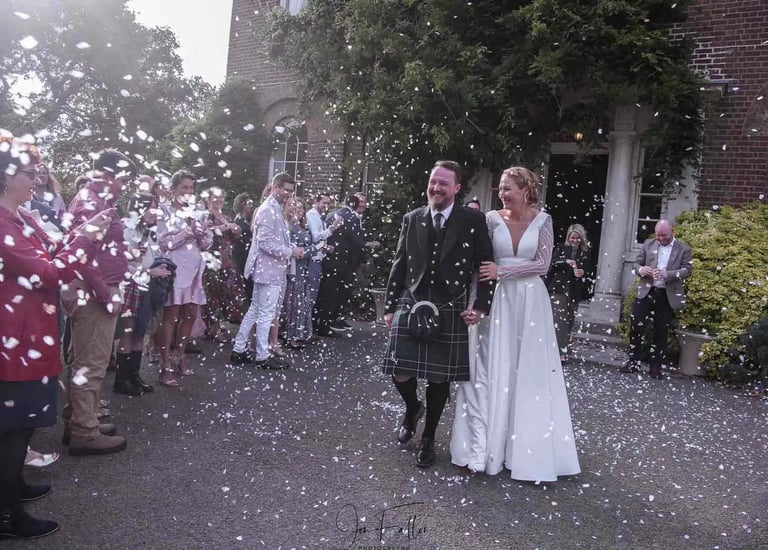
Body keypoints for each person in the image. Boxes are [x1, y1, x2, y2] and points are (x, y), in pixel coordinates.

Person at [0, 135, 106, 538]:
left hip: (32, 332)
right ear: (7, 177)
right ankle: (6, 515)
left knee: (22, 424)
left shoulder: (23, 217)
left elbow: (57, 251)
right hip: (16, 339)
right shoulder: (2, 223)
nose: (37, 179)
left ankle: (14, 487)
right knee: (12, 427)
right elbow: (47, 272)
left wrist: (82, 234)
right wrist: (86, 238)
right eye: (30, 173)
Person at [450, 166, 581, 481]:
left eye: (508, 188)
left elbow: (542, 264)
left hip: (531, 301)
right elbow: (479, 265)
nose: (502, 194)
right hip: (498, 302)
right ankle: (483, 445)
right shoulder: (491, 219)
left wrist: (503, 272)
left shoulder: (543, 220)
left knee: (529, 372)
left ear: (526, 190)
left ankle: (525, 448)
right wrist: (474, 302)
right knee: (491, 366)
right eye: (500, 188)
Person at [382, 160, 494, 469]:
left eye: (443, 183)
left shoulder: (472, 220)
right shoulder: (413, 218)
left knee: (439, 378)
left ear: (456, 188)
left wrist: (480, 306)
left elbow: (485, 267)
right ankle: (412, 406)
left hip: (450, 305)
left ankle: (429, 437)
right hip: (413, 301)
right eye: (433, 181)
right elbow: (400, 263)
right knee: (399, 369)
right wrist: (390, 306)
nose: (436, 187)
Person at [61, 149, 136, 456]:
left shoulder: (95, 200)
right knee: (92, 363)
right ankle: (85, 433)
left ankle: (80, 418)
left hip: (95, 290)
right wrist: (107, 296)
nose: (125, 185)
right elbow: (82, 255)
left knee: (83, 359)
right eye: (123, 179)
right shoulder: (92, 203)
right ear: (107, 175)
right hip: (94, 293)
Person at [230, 173, 304, 369]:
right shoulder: (267, 210)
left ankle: (238, 349)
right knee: (265, 313)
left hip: (270, 269)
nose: (288, 194)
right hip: (267, 270)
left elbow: (272, 240)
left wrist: (290, 248)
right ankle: (262, 355)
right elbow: (264, 243)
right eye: (285, 190)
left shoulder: (275, 209)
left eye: (291, 191)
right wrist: (290, 251)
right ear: (276, 187)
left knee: (255, 310)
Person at [155, 170, 213, 386]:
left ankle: (180, 356)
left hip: (195, 269)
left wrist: (203, 234)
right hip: (175, 269)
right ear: (174, 190)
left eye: (191, 188)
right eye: (184, 188)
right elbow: (163, 243)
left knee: (190, 314)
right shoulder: (165, 211)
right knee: (170, 317)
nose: (188, 192)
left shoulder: (197, 211)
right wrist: (187, 233)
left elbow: (207, 244)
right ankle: (165, 364)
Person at [113, 194, 172, 396]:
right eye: (150, 208)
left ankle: (133, 375)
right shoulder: (127, 230)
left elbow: (150, 256)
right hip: (131, 285)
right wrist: (148, 271)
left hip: (146, 285)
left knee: (141, 331)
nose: (154, 213)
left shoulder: (150, 232)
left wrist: (159, 266)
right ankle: (122, 380)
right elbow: (124, 264)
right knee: (128, 332)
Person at [622, 219, 693, 379]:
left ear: (672, 231)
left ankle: (656, 367)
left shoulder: (683, 248)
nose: (661, 239)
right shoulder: (648, 244)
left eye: (664, 236)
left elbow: (687, 270)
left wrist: (668, 274)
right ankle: (633, 362)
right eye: (658, 236)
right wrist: (642, 269)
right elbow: (636, 264)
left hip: (666, 294)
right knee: (636, 326)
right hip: (646, 292)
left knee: (661, 330)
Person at [314, 193, 378, 336]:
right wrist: (364, 253)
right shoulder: (352, 218)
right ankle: (326, 325)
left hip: (329, 259)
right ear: (354, 205)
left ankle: (318, 322)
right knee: (335, 295)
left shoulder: (331, 214)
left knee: (325, 293)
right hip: (343, 263)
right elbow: (357, 242)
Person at [201, 187, 245, 342]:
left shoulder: (224, 215)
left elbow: (229, 240)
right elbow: (207, 232)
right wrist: (227, 227)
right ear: (209, 198)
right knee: (213, 295)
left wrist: (236, 232)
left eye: (221, 197)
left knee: (226, 294)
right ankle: (213, 328)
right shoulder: (208, 215)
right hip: (213, 260)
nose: (219, 200)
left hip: (227, 260)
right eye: (216, 197)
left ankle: (217, 325)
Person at [545, 223, 594, 360]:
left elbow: (590, 271)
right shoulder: (561, 248)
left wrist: (582, 272)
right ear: (568, 237)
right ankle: (561, 352)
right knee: (560, 320)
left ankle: (562, 347)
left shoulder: (585, 252)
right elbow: (552, 263)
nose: (575, 241)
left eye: (578, 238)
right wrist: (566, 262)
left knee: (570, 320)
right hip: (558, 288)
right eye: (573, 238)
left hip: (574, 290)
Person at [281, 197, 324, 348]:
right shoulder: (289, 228)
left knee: (304, 304)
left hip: (305, 270)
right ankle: (290, 336)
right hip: (294, 271)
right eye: (295, 207)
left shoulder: (302, 227)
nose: (298, 210)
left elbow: (307, 248)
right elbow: (297, 252)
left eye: (301, 208)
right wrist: (316, 249)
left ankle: (302, 333)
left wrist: (314, 249)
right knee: (294, 305)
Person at [232, 192, 255, 311]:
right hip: (241, 254)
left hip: (247, 253)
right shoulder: (238, 220)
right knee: (244, 281)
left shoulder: (247, 220)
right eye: (248, 204)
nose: (250, 206)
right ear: (242, 205)